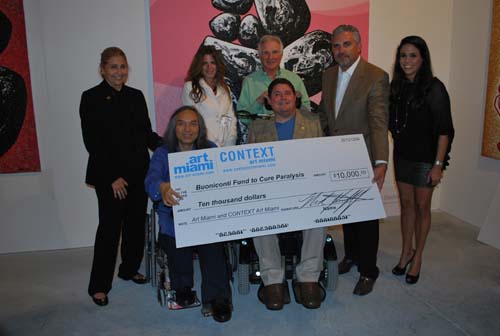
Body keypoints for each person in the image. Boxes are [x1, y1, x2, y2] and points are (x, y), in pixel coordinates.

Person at [80, 47, 162, 306]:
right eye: (113, 67)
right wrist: (111, 177)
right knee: (109, 230)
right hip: (110, 177)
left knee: (136, 226)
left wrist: (171, 145)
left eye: (123, 66)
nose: (119, 72)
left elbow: (147, 134)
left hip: (139, 173)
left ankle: (128, 269)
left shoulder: (136, 96)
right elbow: (93, 142)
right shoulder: (90, 97)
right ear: (102, 69)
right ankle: (99, 286)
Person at [317, 25, 389, 296]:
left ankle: (369, 270)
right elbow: (326, 114)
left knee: (367, 217)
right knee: (346, 212)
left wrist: (380, 161)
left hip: (364, 157)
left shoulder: (376, 76)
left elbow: (379, 122)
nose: (341, 50)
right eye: (336, 45)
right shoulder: (328, 75)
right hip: (336, 156)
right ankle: (351, 256)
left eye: (346, 44)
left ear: (359, 46)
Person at [144, 106, 232, 323]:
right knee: (176, 244)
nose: (187, 129)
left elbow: (223, 179)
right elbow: (150, 181)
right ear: (174, 128)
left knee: (213, 249)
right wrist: (163, 187)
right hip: (174, 215)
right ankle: (182, 285)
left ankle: (218, 297)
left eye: (193, 123)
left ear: (199, 128)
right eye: (181, 123)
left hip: (204, 216)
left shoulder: (209, 149)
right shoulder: (163, 154)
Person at [248, 78, 326, 310]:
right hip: (271, 192)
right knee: (259, 213)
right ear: (269, 102)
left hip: (305, 189)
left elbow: (324, 157)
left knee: (319, 213)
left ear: (296, 97)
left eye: (287, 94)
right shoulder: (257, 128)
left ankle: (309, 277)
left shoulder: (313, 123)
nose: (282, 98)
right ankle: (272, 279)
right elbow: (250, 169)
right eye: (277, 95)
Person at [389, 36, 454, 284]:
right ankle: (406, 252)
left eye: (412, 55)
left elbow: (445, 131)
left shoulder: (434, 88)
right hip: (402, 156)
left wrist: (438, 165)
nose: (407, 61)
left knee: (421, 207)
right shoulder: (397, 87)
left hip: (427, 159)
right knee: (406, 206)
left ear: (423, 58)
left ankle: (418, 258)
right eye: (403, 55)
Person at [237, 35, 311, 116]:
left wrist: (297, 102)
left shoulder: (294, 79)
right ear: (259, 55)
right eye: (266, 53)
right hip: (261, 128)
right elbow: (242, 117)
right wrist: (258, 102)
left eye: (275, 52)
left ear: (281, 54)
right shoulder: (249, 82)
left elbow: (307, 112)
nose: (270, 57)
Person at [181, 45, 237, 147]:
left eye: (212, 63)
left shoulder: (225, 89)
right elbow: (191, 120)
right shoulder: (190, 88)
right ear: (199, 66)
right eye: (205, 63)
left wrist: (229, 145)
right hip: (202, 146)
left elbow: (231, 119)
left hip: (225, 148)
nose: (209, 67)